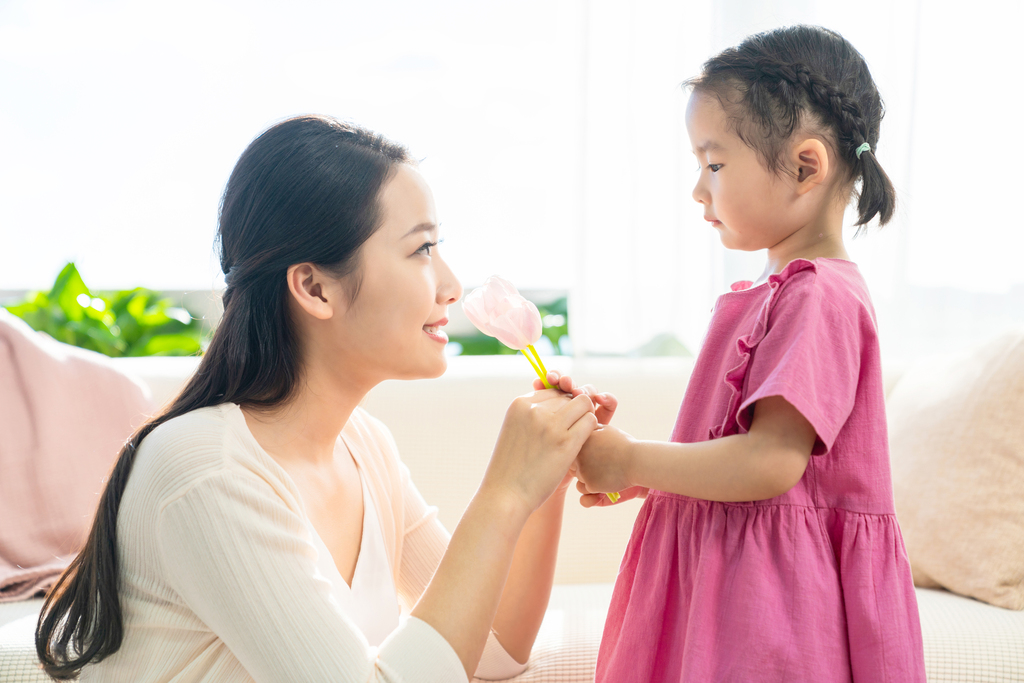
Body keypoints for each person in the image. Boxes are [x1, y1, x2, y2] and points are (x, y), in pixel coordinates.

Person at [35, 115, 601, 682]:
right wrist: (502, 492)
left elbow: (492, 654)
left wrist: (539, 483)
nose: (452, 285)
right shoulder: (207, 469)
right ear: (314, 287)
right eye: (422, 249)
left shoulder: (363, 447)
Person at [566, 25, 927, 682]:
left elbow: (770, 462)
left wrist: (631, 457)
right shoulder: (772, 292)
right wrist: (650, 473)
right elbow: (744, 456)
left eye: (714, 163)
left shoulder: (819, 297)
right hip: (732, 577)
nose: (698, 191)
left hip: (771, 603)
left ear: (805, 165)